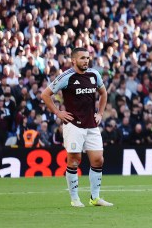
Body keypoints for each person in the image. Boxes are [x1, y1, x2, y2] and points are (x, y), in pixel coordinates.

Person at [40, 46, 114, 207]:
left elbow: (103, 93)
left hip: (92, 125)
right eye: (82, 58)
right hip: (73, 125)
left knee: (98, 160)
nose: (86, 60)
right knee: (74, 160)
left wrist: (100, 113)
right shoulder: (66, 77)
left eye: (87, 58)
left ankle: (95, 198)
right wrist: (58, 113)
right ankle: (74, 198)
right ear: (73, 60)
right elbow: (45, 94)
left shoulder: (94, 74)